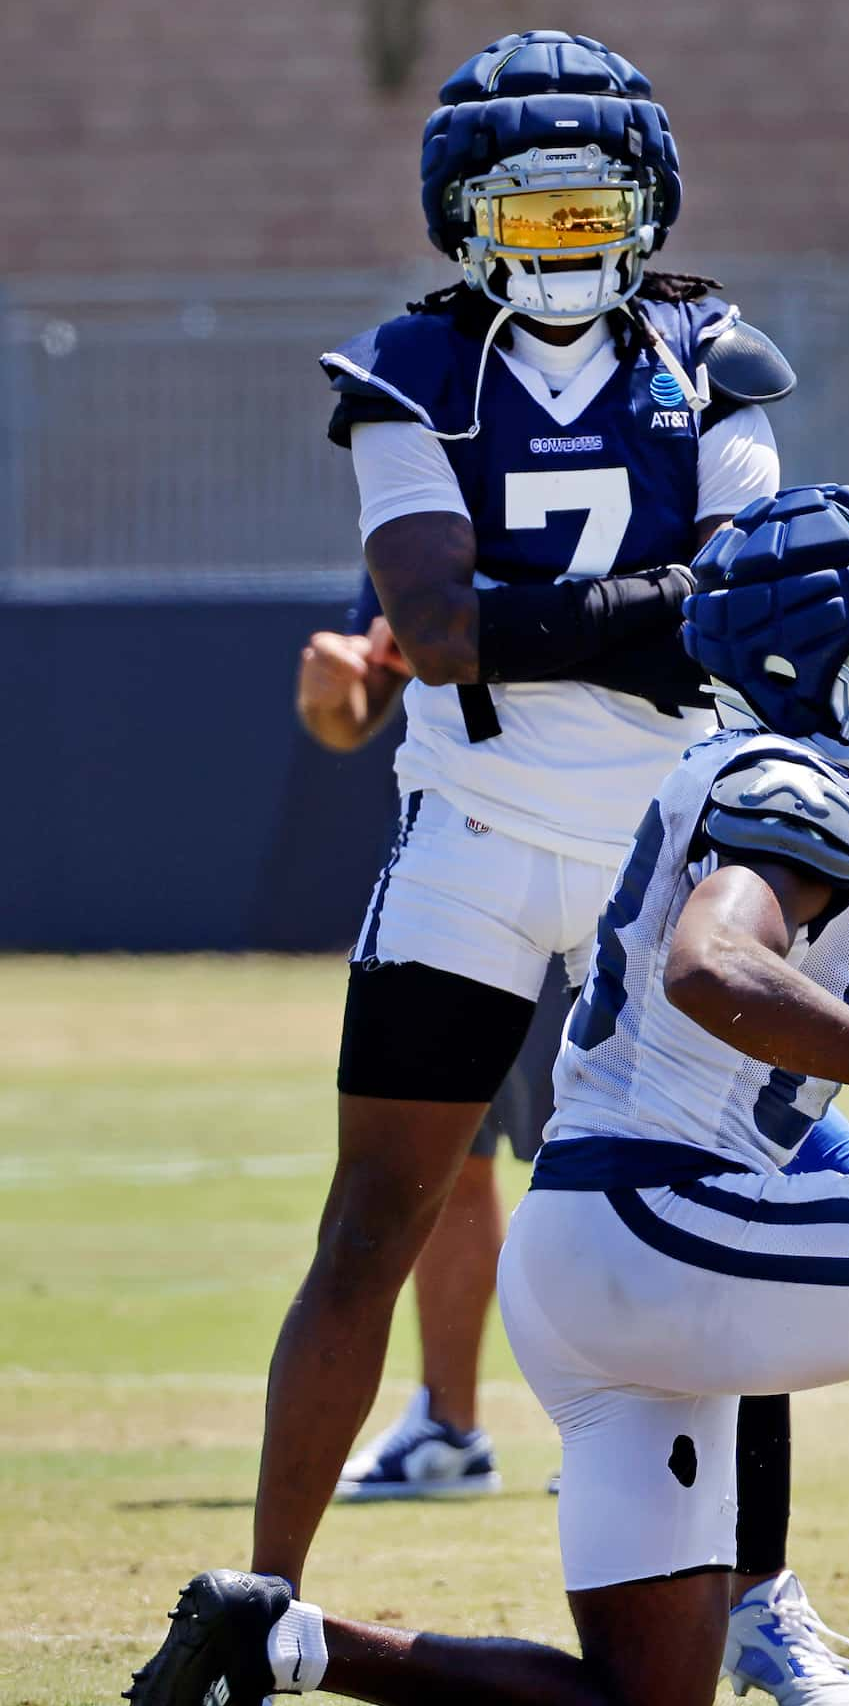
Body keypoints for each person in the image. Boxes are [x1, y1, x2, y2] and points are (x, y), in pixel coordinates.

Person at [123, 485, 849, 1706]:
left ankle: (280, 1640)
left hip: (591, 1256)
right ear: (812, 661)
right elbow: (708, 963)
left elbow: (728, 1067)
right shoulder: (800, 781)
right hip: (663, 1230)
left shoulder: (731, 769)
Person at [226, 28, 849, 1706]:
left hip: (668, 864)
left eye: (596, 203)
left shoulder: (710, 358)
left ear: (647, 206)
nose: (570, 235)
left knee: (725, 1220)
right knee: (370, 1218)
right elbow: (433, 626)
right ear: (466, 216)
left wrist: (526, 633)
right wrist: (627, 624)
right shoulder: (407, 372)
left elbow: (739, 607)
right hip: (477, 852)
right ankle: (255, 1602)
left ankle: (762, 1593)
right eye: (534, 205)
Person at [295, 581, 566, 1499]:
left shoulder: (620, 469)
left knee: (614, 1155)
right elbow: (367, 704)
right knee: (451, 1160)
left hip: (594, 851)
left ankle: (633, 1429)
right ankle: (449, 1431)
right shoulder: (421, 498)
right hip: (454, 865)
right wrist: (334, 697)